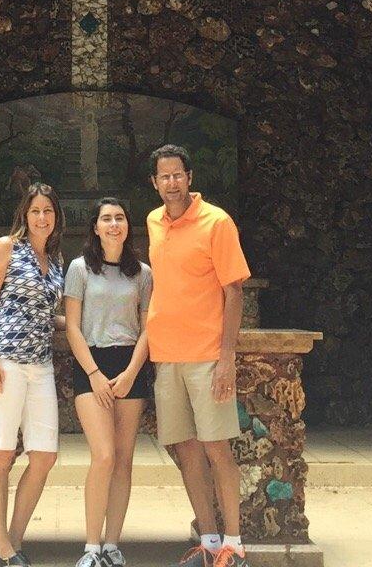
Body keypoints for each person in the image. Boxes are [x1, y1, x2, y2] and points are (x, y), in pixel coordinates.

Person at [145, 144, 251, 567]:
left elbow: (234, 290)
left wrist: (227, 358)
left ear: (190, 177)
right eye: (163, 177)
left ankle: (234, 544)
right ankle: (208, 542)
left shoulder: (217, 221)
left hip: (207, 356)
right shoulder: (154, 221)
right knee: (185, 448)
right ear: (154, 183)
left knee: (216, 449)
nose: (171, 183)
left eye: (177, 175)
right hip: (166, 357)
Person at [0, 182, 65, 567]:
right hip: (7, 363)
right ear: (24, 215)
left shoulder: (57, 260)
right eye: (35, 211)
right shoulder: (7, 247)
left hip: (40, 366)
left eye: (48, 211)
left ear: (56, 216)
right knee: (1, 453)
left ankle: (11, 541)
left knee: (44, 456)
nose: (42, 218)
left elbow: (49, 315)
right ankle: (3, 550)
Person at [62, 197, 153, 567]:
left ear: (127, 226)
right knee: (103, 455)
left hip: (130, 362)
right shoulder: (80, 269)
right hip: (92, 364)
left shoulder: (143, 274)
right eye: (106, 219)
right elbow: (71, 326)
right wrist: (94, 375)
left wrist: (131, 371)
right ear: (95, 228)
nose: (113, 224)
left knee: (124, 460)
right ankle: (90, 547)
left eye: (119, 218)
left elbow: (148, 328)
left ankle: (113, 544)